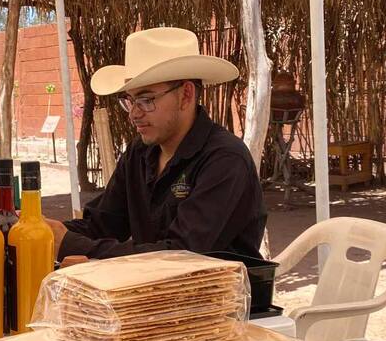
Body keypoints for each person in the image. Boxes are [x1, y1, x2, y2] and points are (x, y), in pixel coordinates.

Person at [48, 27, 266, 261]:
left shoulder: (225, 160)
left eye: (146, 99)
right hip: (153, 292)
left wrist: (69, 244)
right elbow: (103, 223)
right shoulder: (138, 153)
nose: (133, 114)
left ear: (186, 95)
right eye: (129, 101)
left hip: (222, 295)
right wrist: (45, 232)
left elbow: (181, 255)